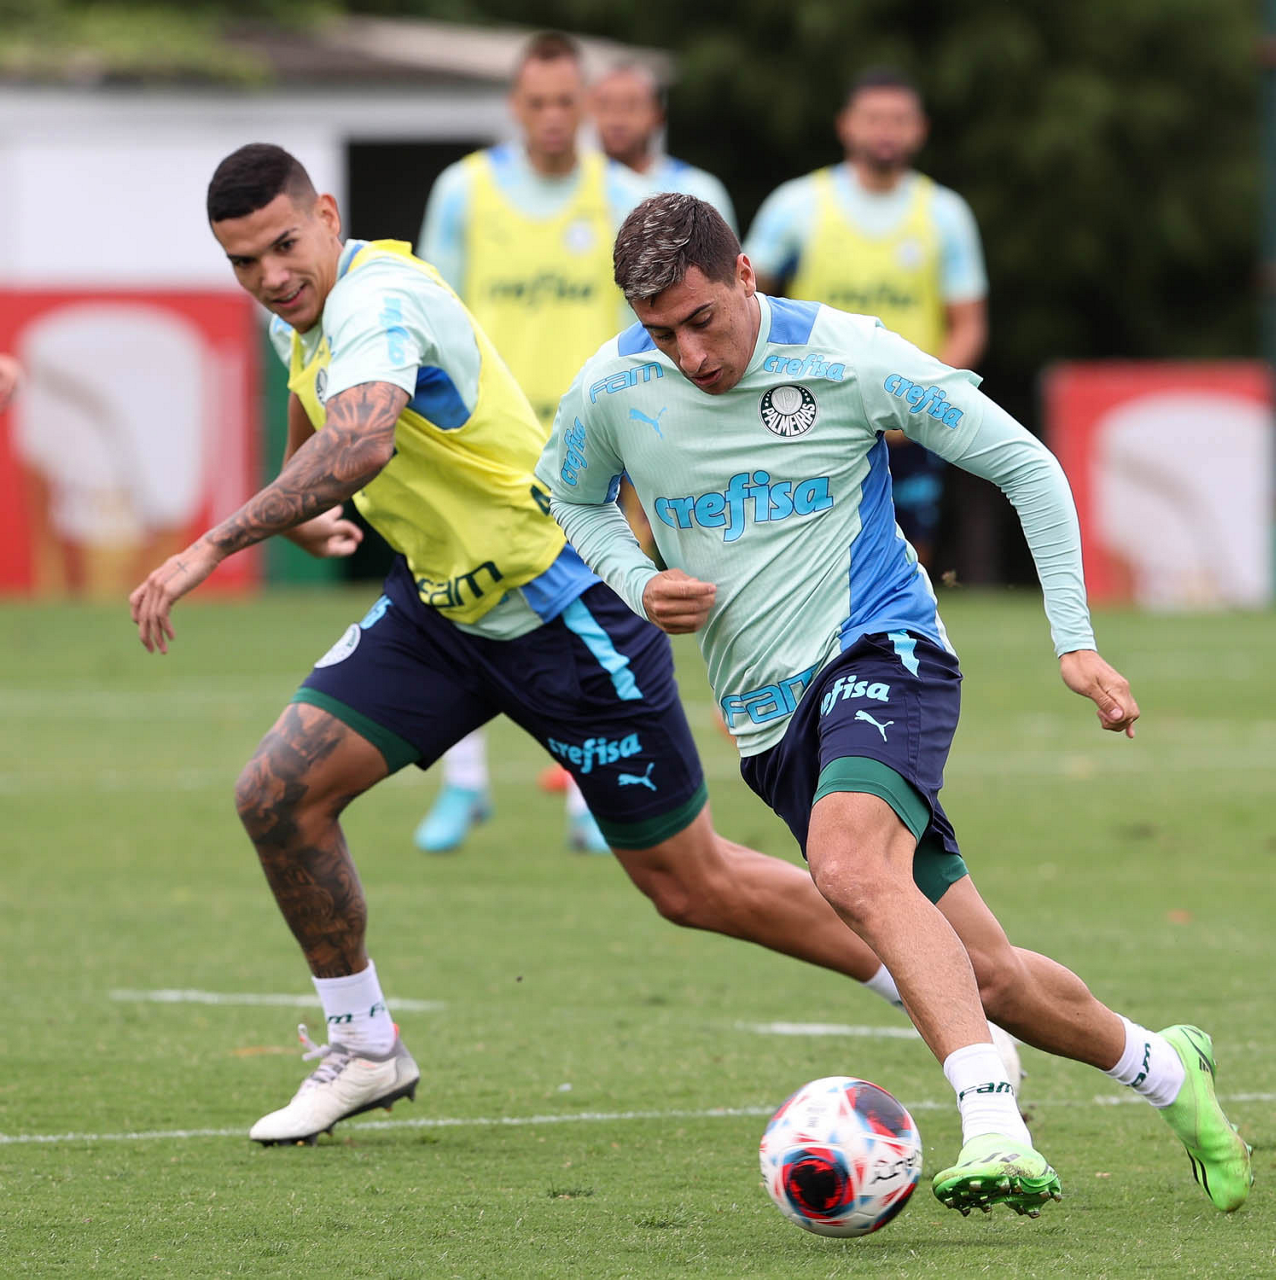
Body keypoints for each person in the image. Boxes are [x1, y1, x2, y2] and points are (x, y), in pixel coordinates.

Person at [128, 144, 923, 1147]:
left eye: (284, 246)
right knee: (276, 795)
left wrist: (214, 542)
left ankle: (925, 976)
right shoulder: (307, 308)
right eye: (244, 262)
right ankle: (364, 1046)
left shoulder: (381, 299)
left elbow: (363, 437)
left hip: (561, 609)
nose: (270, 276)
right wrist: (301, 499)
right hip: (438, 614)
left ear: (327, 214)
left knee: (692, 885)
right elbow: (316, 393)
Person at [537, 192, 1252, 1218]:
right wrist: (635, 578)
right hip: (769, 722)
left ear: (745, 276)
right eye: (662, 334)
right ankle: (1170, 1070)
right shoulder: (611, 389)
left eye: (702, 320)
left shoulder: (845, 356)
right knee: (986, 971)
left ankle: (995, 1126)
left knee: (845, 863)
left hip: (884, 648)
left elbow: (1026, 465)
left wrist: (1075, 641)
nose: (690, 355)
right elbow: (568, 497)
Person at [414, 31, 652, 854]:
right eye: (538, 102)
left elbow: (645, 328)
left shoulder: (624, 196)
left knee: (590, 612)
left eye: (565, 102)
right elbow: (432, 311)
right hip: (484, 441)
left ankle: (591, 795)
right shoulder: (465, 191)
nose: (553, 116)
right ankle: (464, 783)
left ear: (587, 106)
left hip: (589, 438)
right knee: (464, 598)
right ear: (516, 106)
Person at [744, 67, 986, 568]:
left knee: (910, 558)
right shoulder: (796, 205)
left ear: (920, 129)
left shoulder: (945, 214)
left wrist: (924, 399)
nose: (885, 130)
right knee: (805, 554)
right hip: (812, 410)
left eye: (899, 119)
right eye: (873, 118)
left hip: (910, 418)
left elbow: (969, 324)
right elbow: (742, 300)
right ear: (845, 125)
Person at [591, 61, 737, 230]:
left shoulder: (701, 190)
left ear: (659, 115)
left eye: (631, 106)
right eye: (605, 106)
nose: (617, 119)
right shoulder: (572, 184)